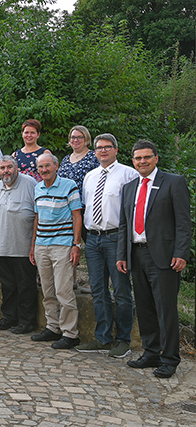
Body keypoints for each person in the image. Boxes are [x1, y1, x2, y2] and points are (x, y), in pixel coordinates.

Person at [118, 140, 191, 379]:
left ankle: (170, 359)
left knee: (165, 309)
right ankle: (151, 352)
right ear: (133, 161)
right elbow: (124, 225)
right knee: (145, 307)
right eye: (138, 158)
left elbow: (183, 222)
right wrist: (122, 254)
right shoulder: (129, 187)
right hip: (136, 255)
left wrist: (181, 252)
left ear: (156, 158)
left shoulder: (173, 182)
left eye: (147, 157)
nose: (142, 162)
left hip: (164, 256)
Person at [75, 134, 137, 357]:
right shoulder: (90, 176)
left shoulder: (129, 174)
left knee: (121, 291)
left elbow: (136, 207)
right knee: (98, 291)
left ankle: (123, 340)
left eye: (107, 147)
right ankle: (102, 338)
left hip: (116, 238)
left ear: (116, 150)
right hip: (93, 239)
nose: (102, 151)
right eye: (99, 148)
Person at [29, 152, 83, 350]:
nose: (44, 170)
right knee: (48, 290)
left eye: (47, 166)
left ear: (56, 166)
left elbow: (77, 216)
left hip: (62, 244)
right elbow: (37, 218)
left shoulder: (69, 186)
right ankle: (53, 327)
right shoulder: (37, 188)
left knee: (63, 290)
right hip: (42, 245)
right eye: (40, 167)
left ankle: (70, 333)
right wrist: (33, 245)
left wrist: (76, 244)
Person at [0, 156, 39, 334]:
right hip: (0, 246)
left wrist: (34, 244)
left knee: (25, 285)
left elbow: (38, 214)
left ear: (16, 168)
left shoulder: (29, 183)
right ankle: (9, 317)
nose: (6, 171)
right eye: (2, 168)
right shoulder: (0, 185)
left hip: (22, 246)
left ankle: (27, 321)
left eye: (9, 167)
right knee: (7, 285)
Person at [57, 125, 99, 293]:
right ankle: (71, 279)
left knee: (90, 246)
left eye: (79, 137)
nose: (75, 140)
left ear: (86, 139)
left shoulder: (92, 157)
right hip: (67, 208)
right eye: (73, 137)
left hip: (86, 207)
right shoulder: (66, 159)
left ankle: (93, 281)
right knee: (69, 244)